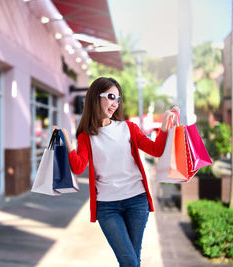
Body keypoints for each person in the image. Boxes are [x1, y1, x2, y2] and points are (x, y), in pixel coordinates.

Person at [55, 77, 178, 267]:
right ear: (96, 97)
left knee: (131, 260)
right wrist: (68, 143)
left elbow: (156, 150)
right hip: (107, 207)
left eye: (118, 99)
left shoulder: (128, 128)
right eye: (111, 96)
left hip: (137, 200)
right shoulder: (86, 136)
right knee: (130, 261)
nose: (115, 103)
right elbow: (79, 166)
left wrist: (164, 126)